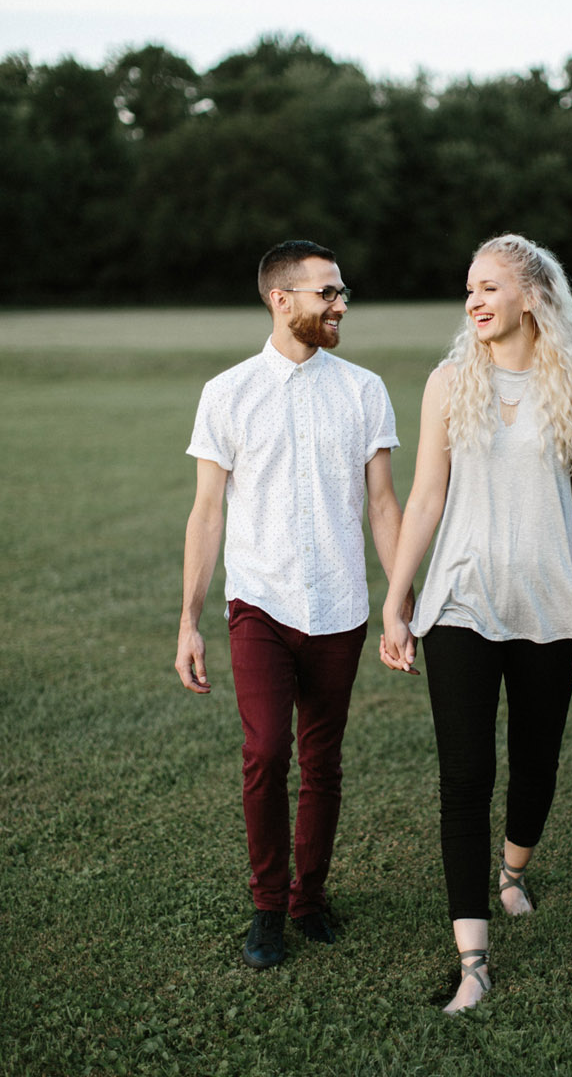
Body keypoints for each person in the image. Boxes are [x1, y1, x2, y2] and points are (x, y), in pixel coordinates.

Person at [378, 233, 572, 1015]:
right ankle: (473, 962)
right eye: (468, 289)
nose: (473, 301)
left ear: (531, 297)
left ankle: (513, 871)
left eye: (488, 287)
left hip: (549, 607)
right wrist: (398, 597)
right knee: (464, 779)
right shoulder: (449, 383)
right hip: (460, 605)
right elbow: (426, 499)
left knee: (535, 766)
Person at [175, 239, 404, 970]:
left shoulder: (365, 389)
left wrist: (399, 601)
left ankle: (311, 898)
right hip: (260, 607)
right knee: (266, 750)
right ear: (282, 299)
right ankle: (268, 906)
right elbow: (207, 513)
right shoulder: (227, 393)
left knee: (323, 759)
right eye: (327, 293)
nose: (341, 305)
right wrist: (189, 621)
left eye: (342, 294)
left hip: (341, 606)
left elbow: (382, 504)